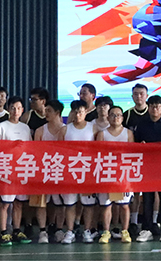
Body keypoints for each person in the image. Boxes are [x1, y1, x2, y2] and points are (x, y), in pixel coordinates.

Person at [133, 95, 161, 243]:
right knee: (147, 199)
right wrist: (141, 145)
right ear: (148, 108)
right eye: (152, 106)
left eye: (157, 106)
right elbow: (135, 144)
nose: (154, 109)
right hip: (147, 166)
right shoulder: (142, 125)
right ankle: (147, 229)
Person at [0, 96, 33, 246]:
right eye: (13, 108)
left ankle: (16, 230)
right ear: (8, 109)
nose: (16, 111)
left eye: (19, 108)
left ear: (22, 110)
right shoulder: (1, 126)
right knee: (4, 203)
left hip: (21, 169)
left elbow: (30, 148)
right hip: (6, 168)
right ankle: (4, 232)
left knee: (19, 203)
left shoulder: (25, 128)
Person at [59, 100, 98, 244]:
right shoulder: (65, 130)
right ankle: (70, 231)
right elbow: (58, 151)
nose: (78, 114)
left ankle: (87, 230)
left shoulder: (93, 128)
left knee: (88, 204)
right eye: (75, 111)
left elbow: (99, 150)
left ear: (86, 112)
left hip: (88, 171)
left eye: (80, 111)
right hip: (70, 171)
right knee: (70, 203)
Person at [95, 105, 134, 244]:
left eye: (118, 115)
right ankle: (106, 231)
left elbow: (132, 153)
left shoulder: (128, 133)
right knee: (106, 204)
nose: (116, 117)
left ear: (122, 118)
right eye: (112, 115)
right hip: (107, 173)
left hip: (123, 173)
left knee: (124, 205)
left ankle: (125, 231)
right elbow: (98, 154)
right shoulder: (102, 134)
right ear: (108, 117)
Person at [33, 99, 66, 244]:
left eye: (49, 111)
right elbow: (36, 152)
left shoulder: (66, 129)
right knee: (42, 202)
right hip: (44, 170)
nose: (45, 113)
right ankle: (42, 231)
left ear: (57, 113)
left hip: (60, 170)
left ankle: (59, 229)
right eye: (45, 110)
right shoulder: (40, 131)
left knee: (60, 202)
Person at [122, 83, 149, 234]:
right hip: (132, 158)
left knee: (153, 191)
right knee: (135, 191)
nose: (139, 97)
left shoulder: (152, 112)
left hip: (151, 158)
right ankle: (133, 221)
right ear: (132, 96)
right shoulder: (127, 115)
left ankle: (152, 220)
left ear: (147, 96)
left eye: (141, 94)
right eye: (136, 94)